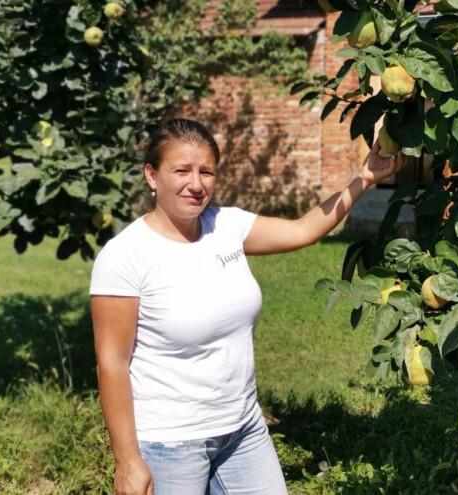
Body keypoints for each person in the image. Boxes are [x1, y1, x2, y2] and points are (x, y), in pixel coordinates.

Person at [90, 118, 403, 495]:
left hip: (242, 428)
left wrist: (364, 179)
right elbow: (112, 362)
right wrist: (127, 461)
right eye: (181, 170)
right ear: (152, 175)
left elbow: (303, 230)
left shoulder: (226, 226)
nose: (196, 183)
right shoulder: (126, 256)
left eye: (206, 171)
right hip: (171, 441)